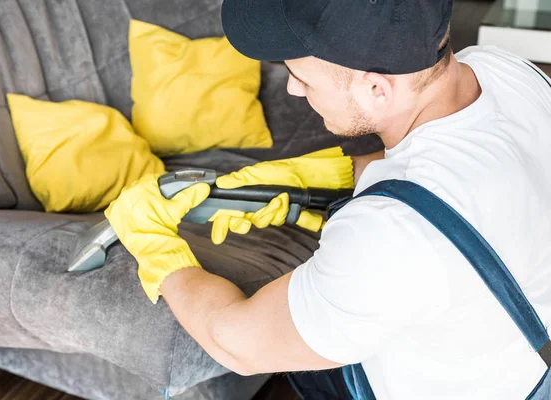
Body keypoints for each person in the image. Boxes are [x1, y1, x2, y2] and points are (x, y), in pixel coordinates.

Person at [105, 0, 551, 398]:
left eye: (301, 75)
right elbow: (453, 166)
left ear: (377, 89)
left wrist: (158, 252)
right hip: (517, 356)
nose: (293, 88)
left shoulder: (389, 237)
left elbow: (236, 343)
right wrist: (311, 177)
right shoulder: (506, 70)